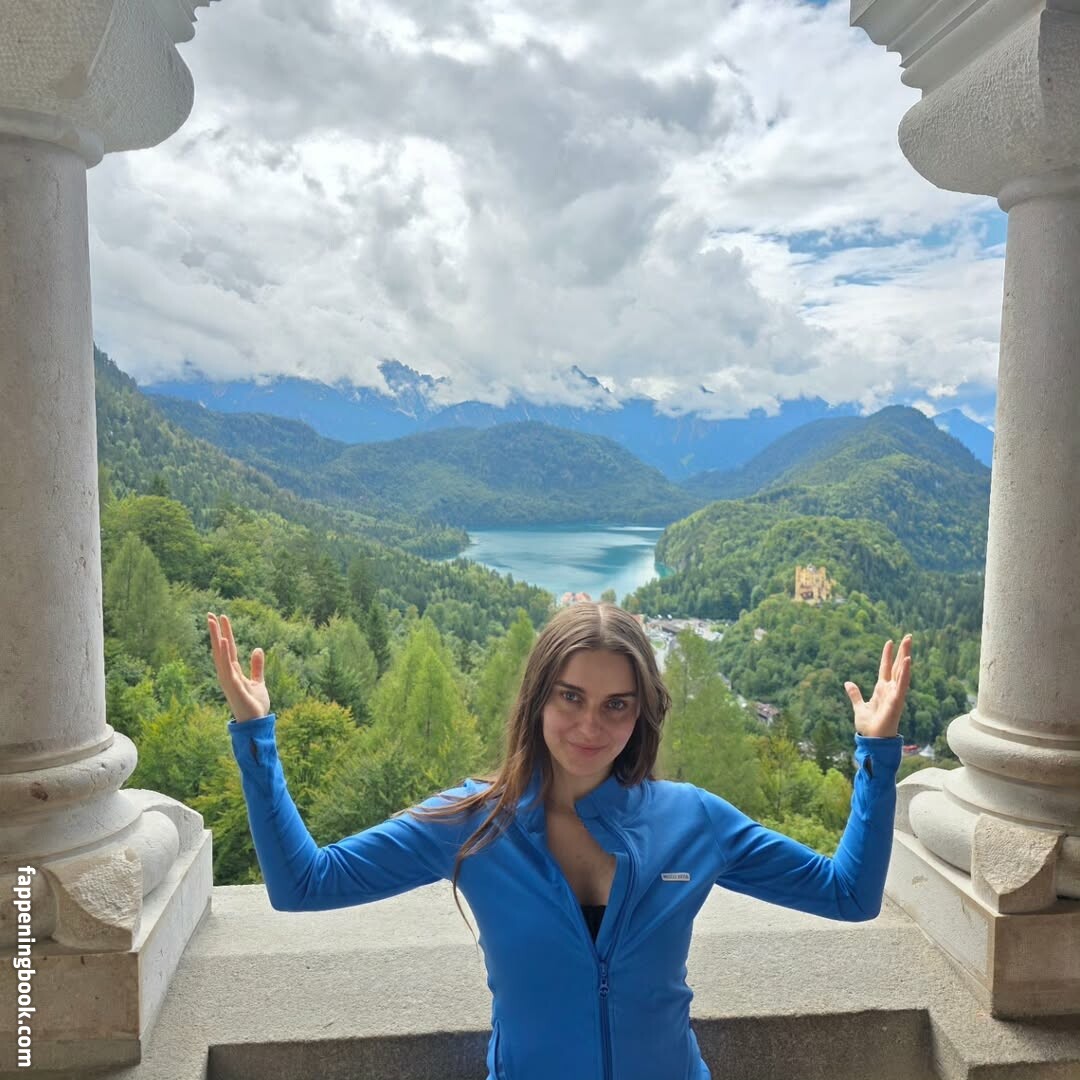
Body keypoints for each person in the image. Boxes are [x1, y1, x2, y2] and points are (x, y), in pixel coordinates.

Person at [208, 602, 912, 1080]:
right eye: (570, 696)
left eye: (617, 705)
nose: (590, 727)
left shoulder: (692, 821)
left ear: (641, 714)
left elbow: (848, 895)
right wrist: (255, 736)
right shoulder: (473, 822)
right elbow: (304, 884)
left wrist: (876, 755)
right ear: (538, 697)